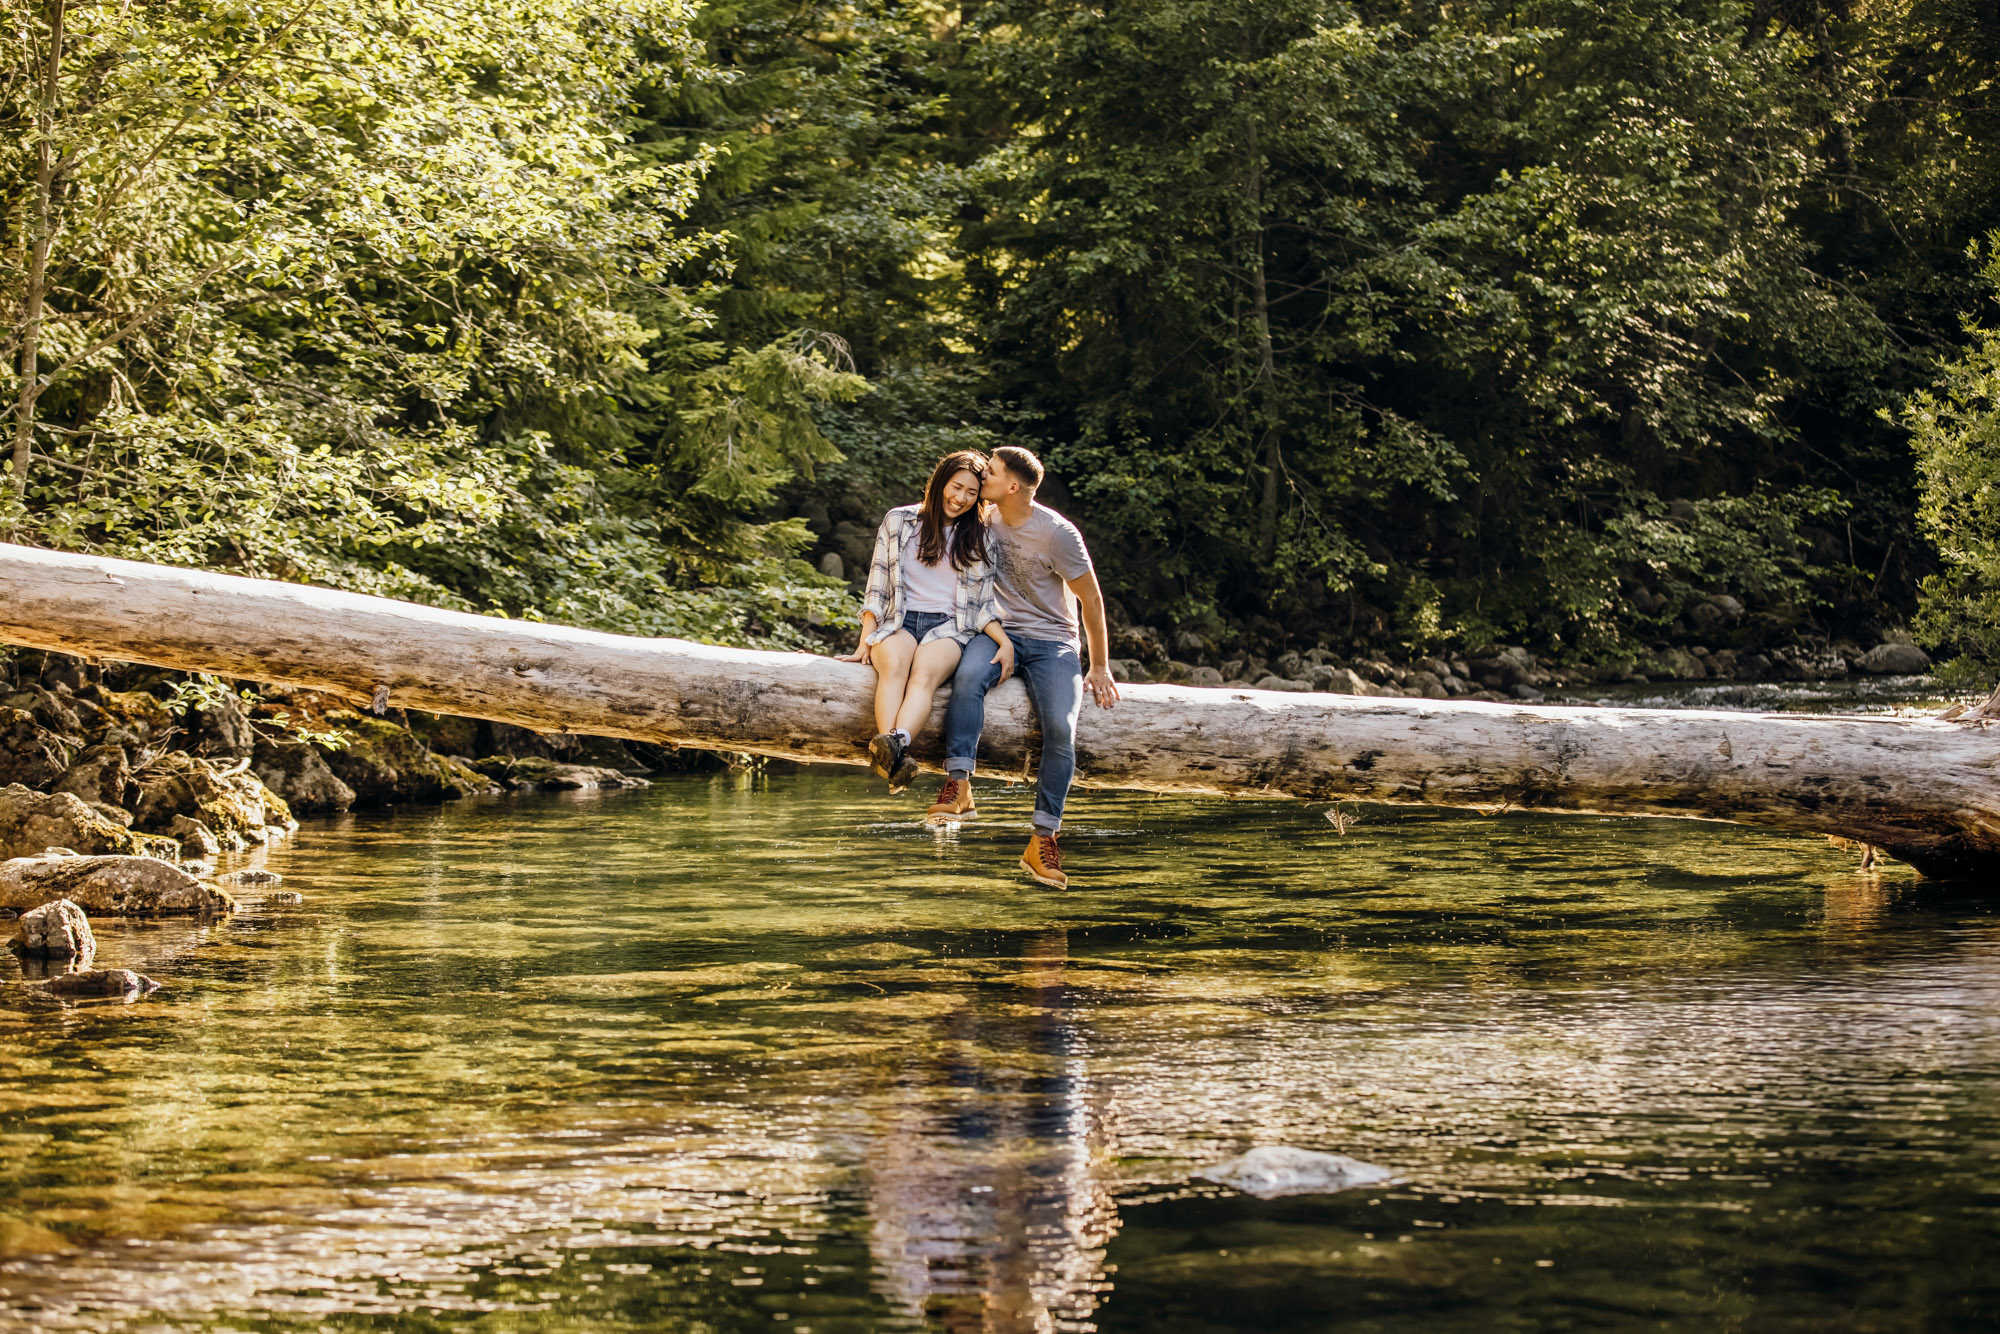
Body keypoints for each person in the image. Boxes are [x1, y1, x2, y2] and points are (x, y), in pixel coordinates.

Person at [928, 445, 1118, 887]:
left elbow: (1091, 599)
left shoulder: (1058, 534)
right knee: (969, 677)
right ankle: (959, 786)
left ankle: (1043, 840)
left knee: (1060, 726)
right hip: (999, 632)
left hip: (1054, 643)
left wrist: (1100, 666)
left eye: (989, 473)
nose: (981, 477)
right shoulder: (984, 517)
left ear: (1012, 486)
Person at [839, 450, 1015, 791]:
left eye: (971, 493)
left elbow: (981, 605)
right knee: (894, 669)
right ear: (939, 483)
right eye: (956, 487)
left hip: (949, 628)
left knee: (923, 677)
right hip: (898, 622)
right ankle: (897, 754)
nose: (961, 498)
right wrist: (866, 639)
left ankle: (894, 747)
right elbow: (877, 585)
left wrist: (1003, 639)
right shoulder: (899, 521)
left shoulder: (982, 537)